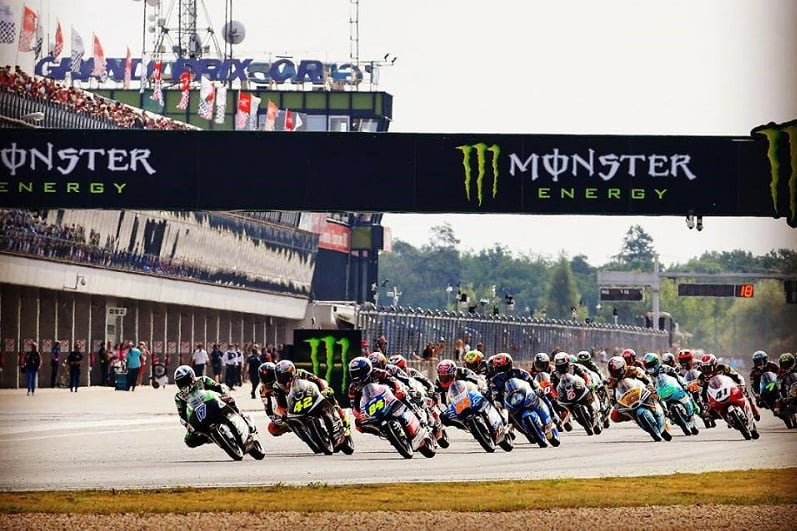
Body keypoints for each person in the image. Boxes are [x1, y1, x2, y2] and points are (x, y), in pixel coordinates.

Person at [173, 365, 255, 448]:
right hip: (199, 415)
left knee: (230, 400)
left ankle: (244, 419)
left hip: (213, 403)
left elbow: (217, 387)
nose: (183, 385)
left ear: (192, 377)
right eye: (180, 383)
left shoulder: (202, 380)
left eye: (185, 381)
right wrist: (188, 425)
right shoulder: (179, 397)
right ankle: (211, 437)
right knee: (189, 440)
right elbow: (182, 415)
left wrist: (224, 394)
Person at [273, 360, 350, 435]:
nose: (284, 381)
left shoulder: (300, 373)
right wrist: (285, 415)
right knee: (279, 424)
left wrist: (324, 390)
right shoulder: (277, 387)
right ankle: (304, 432)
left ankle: (343, 417)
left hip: (312, 394)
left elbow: (317, 380)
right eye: (280, 378)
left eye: (285, 377)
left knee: (328, 394)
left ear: (292, 372)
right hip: (296, 404)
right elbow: (281, 406)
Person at [697, 353, 759, 421]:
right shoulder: (701, 378)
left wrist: (742, 384)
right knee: (707, 415)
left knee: (745, 393)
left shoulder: (723, 367)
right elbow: (701, 393)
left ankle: (753, 409)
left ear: (714, 364)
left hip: (729, 388)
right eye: (704, 368)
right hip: (714, 396)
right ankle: (726, 417)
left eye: (708, 367)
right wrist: (705, 405)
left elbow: (737, 376)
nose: (706, 370)